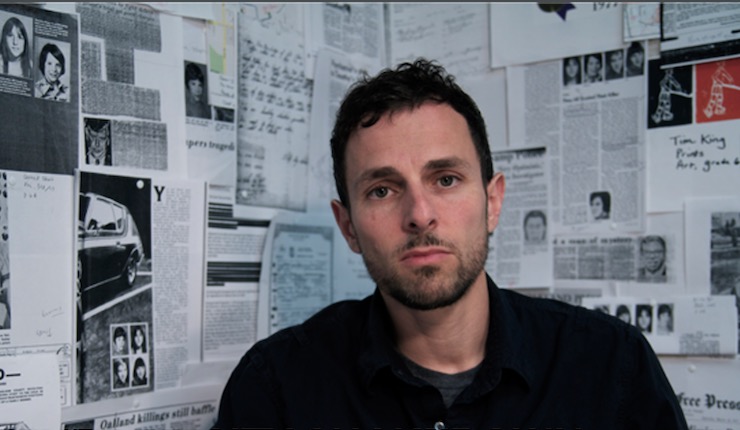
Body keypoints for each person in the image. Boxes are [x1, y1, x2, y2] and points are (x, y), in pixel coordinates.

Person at [213, 59, 687, 429]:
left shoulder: (611, 365)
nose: (420, 214)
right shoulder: (276, 388)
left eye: (445, 179)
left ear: (492, 201)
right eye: (382, 190)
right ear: (349, 227)